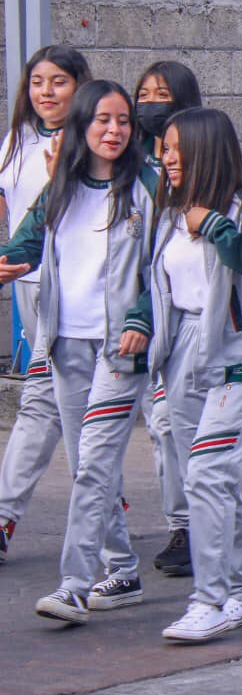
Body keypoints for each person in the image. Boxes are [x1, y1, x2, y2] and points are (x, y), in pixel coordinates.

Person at [0, 80, 158, 624]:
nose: (114, 131)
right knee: (90, 466)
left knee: (92, 463)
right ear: (82, 126)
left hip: (121, 350)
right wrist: (12, 262)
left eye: (123, 121)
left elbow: (161, 267)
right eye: (102, 120)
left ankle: (73, 584)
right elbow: (26, 241)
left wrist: (141, 319)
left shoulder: (146, 187)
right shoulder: (61, 186)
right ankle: (124, 568)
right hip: (64, 342)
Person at [148, 109, 242, 643]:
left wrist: (213, 224)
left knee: (206, 473)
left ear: (207, 150)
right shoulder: (167, 211)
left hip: (241, 352)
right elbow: (155, 283)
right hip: (183, 349)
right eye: (164, 148)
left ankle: (209, 601)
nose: (168, 157)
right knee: (207, 478)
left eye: (178, 147)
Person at [0, 46, 90, 568]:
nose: (46, 92)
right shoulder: (17, 142)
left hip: (84, 295)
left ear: (81, 85)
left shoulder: (94, 143)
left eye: (58, 81)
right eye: (37, 82)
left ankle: (176, 518)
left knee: (62, 402)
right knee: (51, 399)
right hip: (30, 288)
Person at [133, 59, 205, 577]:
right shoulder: (127, 160)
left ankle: (190, 526)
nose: (151, 103)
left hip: (180, 317)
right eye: (145, 94)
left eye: (164, 95)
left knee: (170, 424)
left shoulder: (199, 164)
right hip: (131, 311)